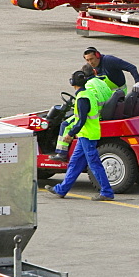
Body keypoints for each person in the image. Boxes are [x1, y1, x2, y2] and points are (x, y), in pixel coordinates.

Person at [46, 71, 114, 201]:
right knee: (75, 163)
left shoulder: (82, 98)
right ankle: (62, 189)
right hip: (85, 135)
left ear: (73, 83)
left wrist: (70, 134)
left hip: (88, 135)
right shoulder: (88, 93)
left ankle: (107, 192)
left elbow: (81, 120)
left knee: (94, 163)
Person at [50, 74, 113, 162]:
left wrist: (71, 133)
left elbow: (82, 116)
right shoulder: (101, 82)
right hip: (101, 113)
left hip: (91, 122)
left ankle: (61, 152)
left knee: (65, 124)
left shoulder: (86, 90)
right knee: (77, 161)